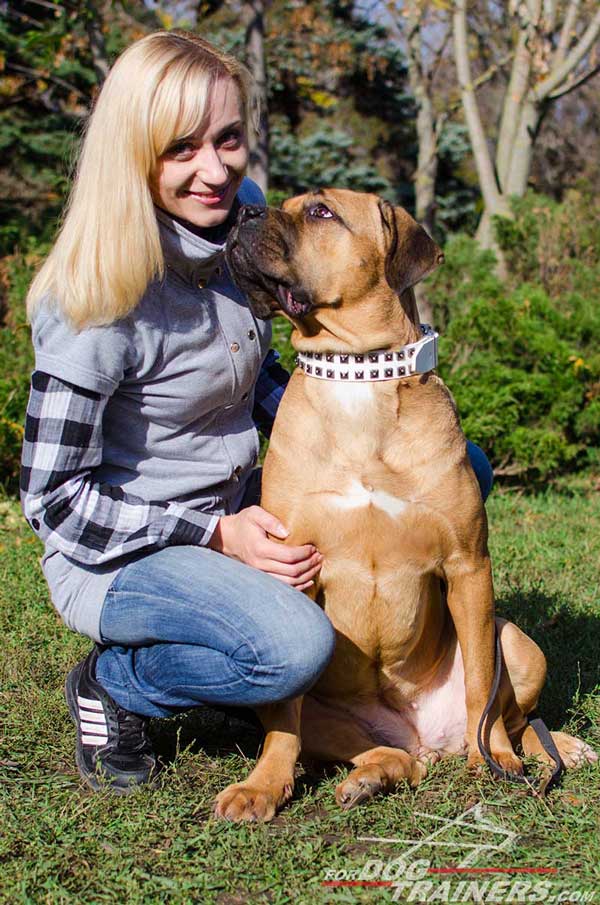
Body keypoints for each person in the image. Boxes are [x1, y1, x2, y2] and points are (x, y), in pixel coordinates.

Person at [20, 29, 493, 795]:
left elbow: (252, 375)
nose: (218, 171)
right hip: (128, 551)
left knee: (458, 475)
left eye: (229, 138)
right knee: (289, 645)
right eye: (182, 149)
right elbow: (53, 502)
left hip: (235, 508)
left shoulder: (234, 225)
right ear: (132, 156)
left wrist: (380, 432)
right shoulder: (92, 304)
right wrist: (214, 534)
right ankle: (117, 684)